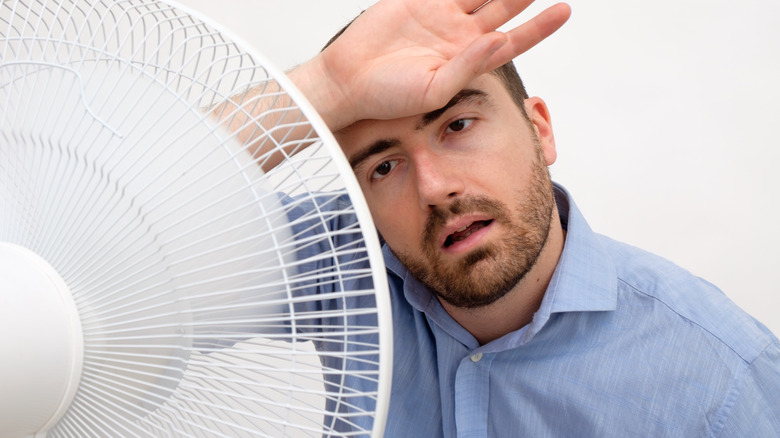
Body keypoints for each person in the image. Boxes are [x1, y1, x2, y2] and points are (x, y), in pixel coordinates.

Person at [217, 0, 780, 435]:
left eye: (457, 126)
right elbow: (131, 241)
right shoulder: (342, 263)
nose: (435, 189)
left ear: (540, 129)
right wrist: (323, 87)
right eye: (384, 167)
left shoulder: (722, 374)